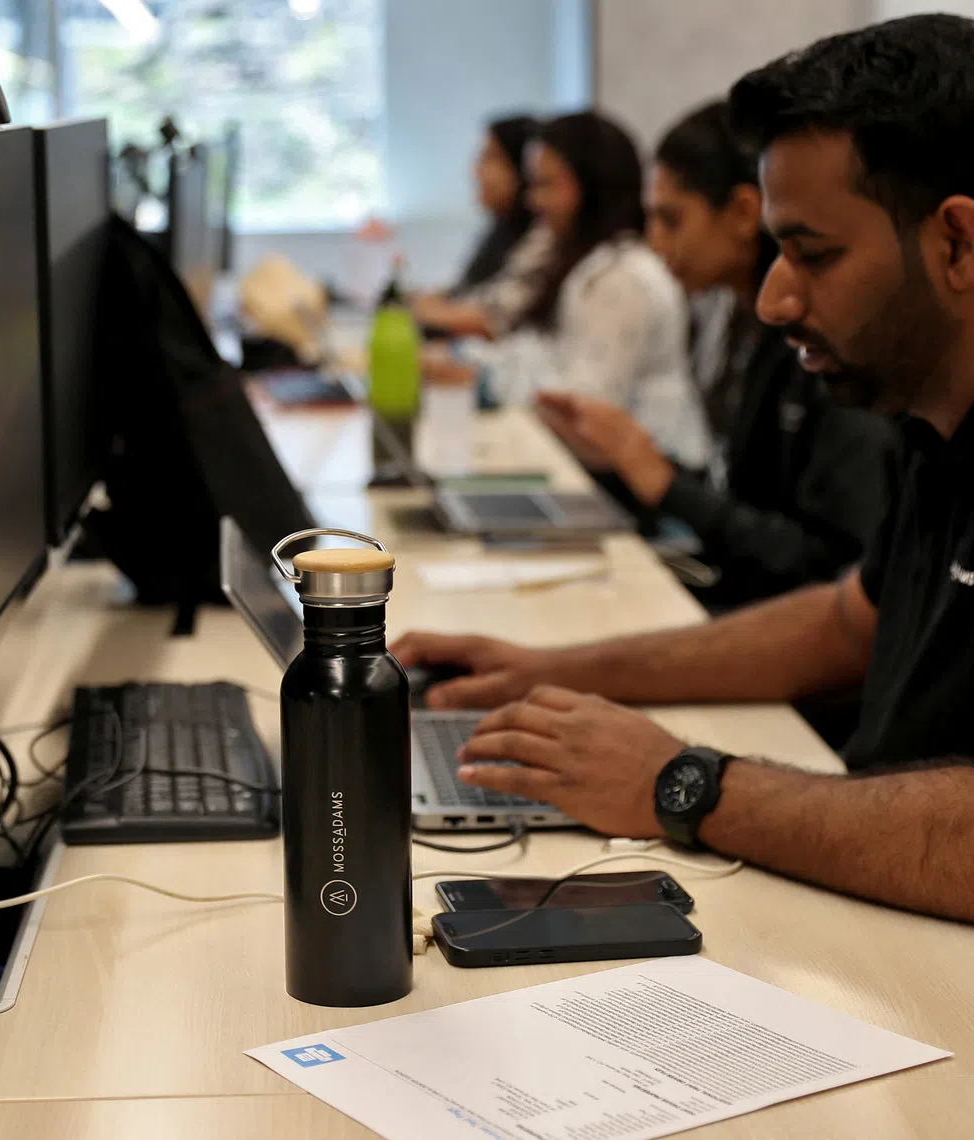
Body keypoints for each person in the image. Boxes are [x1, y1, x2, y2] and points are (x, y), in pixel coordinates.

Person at [393, 14, 974, 923]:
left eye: (813, 255)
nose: (777, 296)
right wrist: (554, 670)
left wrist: (681, 784)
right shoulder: (930, 415)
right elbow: (847, 625)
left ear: (957, 244)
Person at [537, 102, 893, 607]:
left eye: (671, 219)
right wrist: (631, 458)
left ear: (745, 213)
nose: (655, 243)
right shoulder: (730, 322)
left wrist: (661, 479)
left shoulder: (821, 341)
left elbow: (823, 567)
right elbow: (743, 496)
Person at [449, 111, 710, 468]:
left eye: (545, 184)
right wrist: (476, 371)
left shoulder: (621, 276)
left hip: (651, 482)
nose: (532, 200)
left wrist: (484, 380)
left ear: (591, 185)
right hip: (613, 470)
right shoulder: (582, 261)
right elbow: (543, 356)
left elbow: (585, 408)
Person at [411, 115, 550, 340]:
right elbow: (472, 292)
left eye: (489, 158)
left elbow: (496, 318)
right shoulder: (502, 231)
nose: (476, 171)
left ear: (523, 170)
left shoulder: (542, 240)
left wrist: (424, 311)